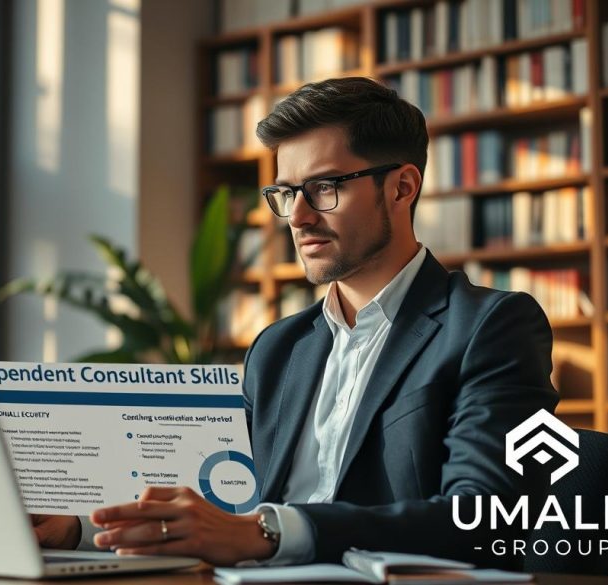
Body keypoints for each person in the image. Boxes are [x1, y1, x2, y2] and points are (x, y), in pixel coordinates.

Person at [33, 77, 558, 568]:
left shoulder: (490, 326)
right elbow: (215, 502)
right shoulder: (278, 348)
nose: (299, 217)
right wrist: (78, 529)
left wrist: (271, 533)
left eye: (325, 187)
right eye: (286, 193)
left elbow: (485, 518)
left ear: (401, 188)